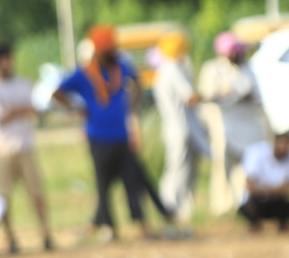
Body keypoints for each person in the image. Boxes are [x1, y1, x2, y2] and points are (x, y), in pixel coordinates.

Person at [53, 24, 171, 241]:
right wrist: (77, 108)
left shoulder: (121, 67)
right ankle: (109, 229)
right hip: (98, 138)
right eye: (109, 50)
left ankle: (143, 226)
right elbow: (57, 92)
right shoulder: (84, 73)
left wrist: (132, 106)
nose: (114, 52)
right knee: (103, 185)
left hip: (122, 136)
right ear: (99, 51)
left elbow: (137, 83)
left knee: (132, 182)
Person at [0, 43, 53, 252]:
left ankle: (46, 234)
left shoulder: (24, 84)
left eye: (9, 59)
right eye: (2, 60)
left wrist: (14, 111)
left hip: (25, 146)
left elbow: (35, 110)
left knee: (36, 193)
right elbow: (0, 116)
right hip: (2, 150)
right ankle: (10, 238)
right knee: (4, 197)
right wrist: (21, 110)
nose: (7, 64)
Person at [198, 31, 263, 214]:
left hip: (248, 126)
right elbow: (206, 96)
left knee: (247, 167)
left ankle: (245, 202)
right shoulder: (212, 69)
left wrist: (246, 96)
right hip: (223, 125)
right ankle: (222, 205)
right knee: (222, 166)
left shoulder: (247, 68)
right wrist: (223, 94)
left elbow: (258, 94)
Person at [151, 32, 200, 231]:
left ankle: (177, 215)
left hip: (173, 128)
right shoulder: (173, 69)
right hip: (181, 128)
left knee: (179, 172)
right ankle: (171, 213)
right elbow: (191, 97)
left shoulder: (163, 70)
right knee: (178, 173)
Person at [238, 132, 289, 232]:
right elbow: (250, 187)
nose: (284, 147)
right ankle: (254, 223)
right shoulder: (257, 153)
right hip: (257, 201)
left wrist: (264, 189)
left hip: (277, 201)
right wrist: (277, 190)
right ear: (274, 143)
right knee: (252, 204)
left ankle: (283, 223)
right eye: (283, 143)